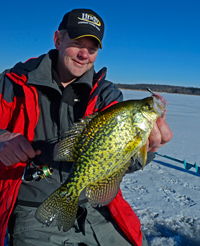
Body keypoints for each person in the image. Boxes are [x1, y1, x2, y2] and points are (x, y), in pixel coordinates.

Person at [0, 8, 173, 246]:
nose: (84, 54)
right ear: (58, 39)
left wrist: (146, 152)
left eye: (92, 49)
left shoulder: (107, 95)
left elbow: (119, 162)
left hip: (96, 208)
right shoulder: (13, 83)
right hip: (31, 209)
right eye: (77, 43)